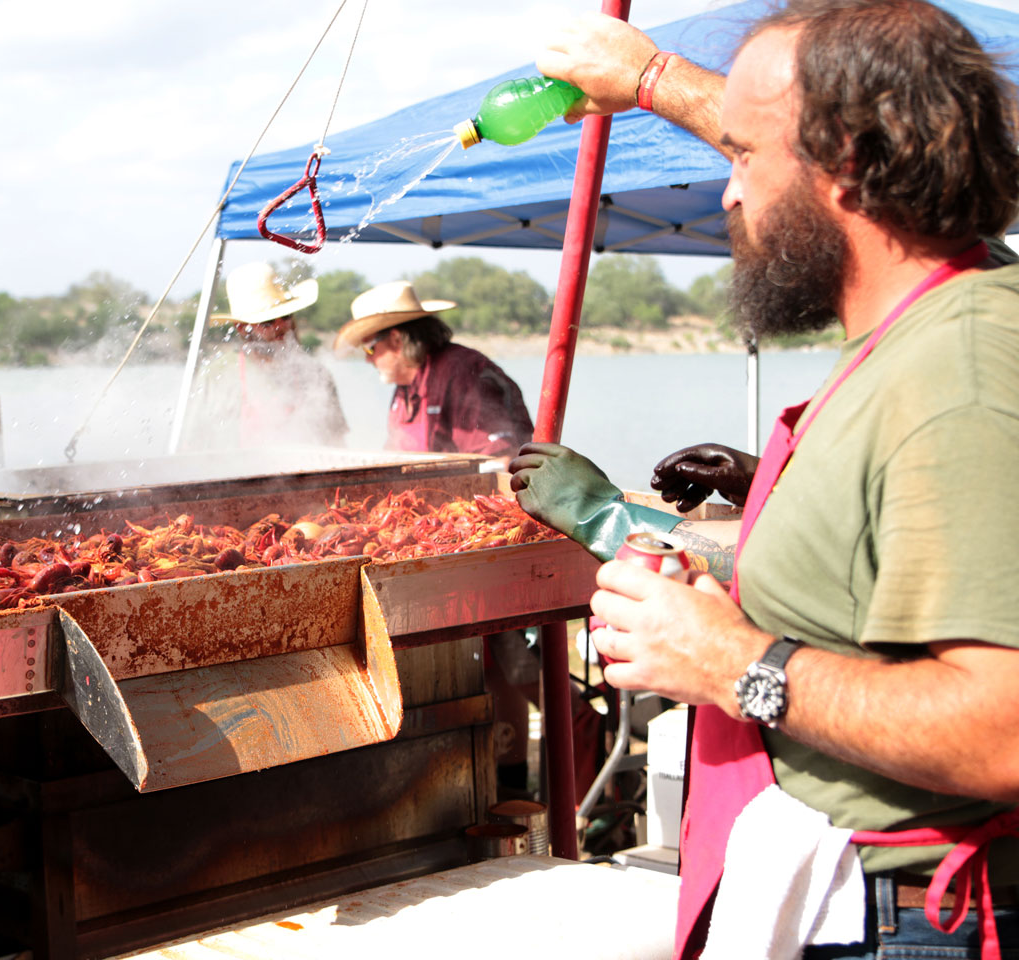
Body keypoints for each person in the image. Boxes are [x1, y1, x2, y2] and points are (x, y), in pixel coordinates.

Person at [512, 2, 1019, 958]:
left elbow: (1005, 733)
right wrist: (654, 80)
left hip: (919, 926)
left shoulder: (967, 364)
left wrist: (735, 665)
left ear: (854, 163)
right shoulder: (934, 320)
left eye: (741, 157)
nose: (728, 197)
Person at [336, 280, 542, 793]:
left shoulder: (466, 374)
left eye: (373, 346)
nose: (369, 359)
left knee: (505, 666)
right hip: (423, 550)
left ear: (402, 339)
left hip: (483, 551)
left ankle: (516, 788)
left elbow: (509, 462)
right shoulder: (404, 392)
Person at [333, 280, 534, 458]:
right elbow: (395, 452)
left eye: (369, 348)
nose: (368, 360)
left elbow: (502, 460)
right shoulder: (405, 385)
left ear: (396, 340)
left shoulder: (463, 373)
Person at [179, 262, 348, 452]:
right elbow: (191, 446)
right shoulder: (217, 375)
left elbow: (337, 446)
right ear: (243, 328)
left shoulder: (317, 375)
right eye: (267, 322)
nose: (281, 327)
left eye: (286, 317)